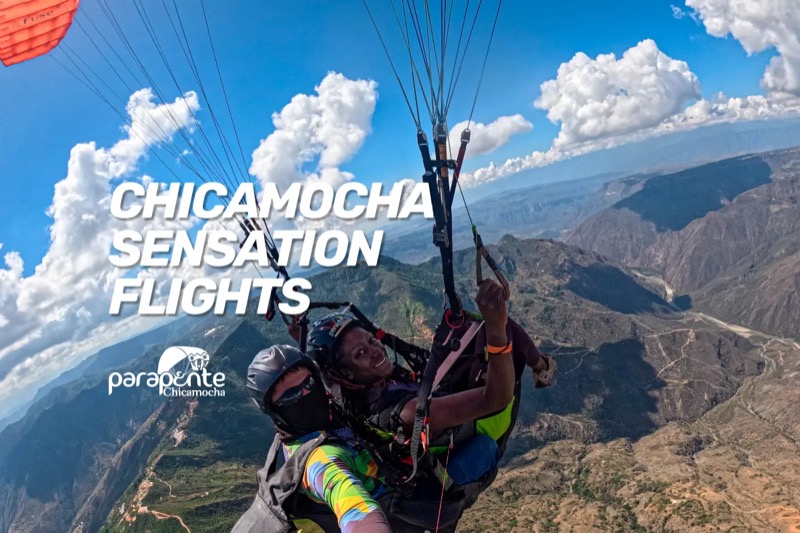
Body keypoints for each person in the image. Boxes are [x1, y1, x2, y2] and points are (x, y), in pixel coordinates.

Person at [306, 279, 556, 487]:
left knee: (476, 328)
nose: (375, 350)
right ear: (343, 375)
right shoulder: (404, 412)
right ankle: (540, 367)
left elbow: (328, 376)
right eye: (359, 354)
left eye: (371, 340)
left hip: (443, 400)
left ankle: (539, 365)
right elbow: (496, 398)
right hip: (479, 426)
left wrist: (299, 330)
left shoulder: (366, 386)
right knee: (502, 331)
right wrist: (497, 329)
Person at [232, 344, 393, 533]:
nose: (308, 395)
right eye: (291, 395)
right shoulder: (319, 462)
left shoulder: (317, 426)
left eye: (309, 383)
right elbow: (351, 505)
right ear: (275, 412)